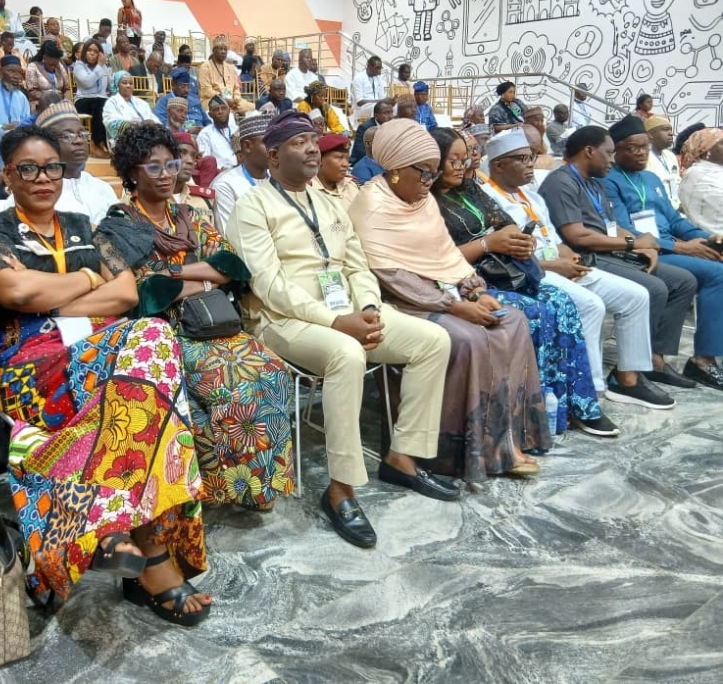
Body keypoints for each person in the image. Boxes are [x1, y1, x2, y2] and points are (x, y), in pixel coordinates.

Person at [0, 125, 212, 625]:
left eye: (51, 167)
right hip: (23, 370)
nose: (42, 178)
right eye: (28, 169)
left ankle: (116, 531)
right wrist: (89, 279)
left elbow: (125, 295)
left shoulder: (84, 227)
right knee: (150, 377)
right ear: (8, 174)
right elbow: (16, 294)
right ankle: (153, 559)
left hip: (92, 353)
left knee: (151, 340)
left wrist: (49, 297)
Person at [226, 111, 456, 548]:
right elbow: (268, 285)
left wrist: (367, 309)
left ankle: (402, 458)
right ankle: (341, 490)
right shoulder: (252, 206)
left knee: (433, 340)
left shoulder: (329, 202)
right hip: (281, 321)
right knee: (346, 354)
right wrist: (337, 322)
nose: (312, 149)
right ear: (273, 156)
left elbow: (356, 265)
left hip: (347, 312)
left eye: (313, 141)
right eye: (299, 143)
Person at [108, 123, 293, 509]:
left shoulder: (187, 215)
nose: (166, 174)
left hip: (215, 323)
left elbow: (232, 265)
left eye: (171, 164)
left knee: (271, 370)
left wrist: (173, 272)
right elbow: (143, 293)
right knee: (226, 384)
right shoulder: (118, 226)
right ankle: (226, 486)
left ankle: (261, 483)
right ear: (131, 173)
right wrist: (203, 278)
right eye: (153, 166)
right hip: (164, 332)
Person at [349, 119, 548, 480]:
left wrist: (476, 291)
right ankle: (453, 452)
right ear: (396, 169)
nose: (430, 181)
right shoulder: (373, 205)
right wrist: (455, 306)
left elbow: (445, 254)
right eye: (423, 172)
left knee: (513, 321)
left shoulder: (422, 200)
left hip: (444, 294)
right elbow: (391, 277)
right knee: (469, 338)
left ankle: (504, 441)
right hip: (399, 303)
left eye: (433, 172)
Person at [431, 127, 617, 436]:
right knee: (538, 314)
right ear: (434, 161)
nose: (462, 167)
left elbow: (504, 223)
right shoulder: (428, 200)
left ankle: (576, 405)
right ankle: (533, 415)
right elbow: (438, 258)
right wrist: (489, 243)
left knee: (563, 304)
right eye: (453, 160)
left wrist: (515, 240)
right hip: (467, 282)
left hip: (507, 273)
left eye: (466, 159)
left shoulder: (469, 188)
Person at [481, 128, 671, 410]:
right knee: (591, 306)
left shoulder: (531, 197)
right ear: (498, 165)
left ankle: (628, 379)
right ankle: (588, 392)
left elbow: (556, 241)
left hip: (560, 265)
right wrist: (555, 265)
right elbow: (504, 259)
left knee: (636, 296)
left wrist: (572, 261)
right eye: (521, 159)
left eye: (531, 157)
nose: (531, 164)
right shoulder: (488, 200)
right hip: (532, 273)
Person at [538, 126, 699, 390]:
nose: (613, 160)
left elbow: (612, 226)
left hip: (611, 251)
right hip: (587, 257)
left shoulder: (593, 182)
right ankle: (627, 373)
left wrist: (643, 245)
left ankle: (654, 360)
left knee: (683, 281)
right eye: (609, 153)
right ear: (589, 151)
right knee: (655, 287)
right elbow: (578, 237)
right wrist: (632, 243)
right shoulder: (561, 182)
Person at [600, 115, 723, 389]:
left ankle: (658, 358)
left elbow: (675, 220)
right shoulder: (609, 180)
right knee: (718, 274)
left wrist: (706, 238)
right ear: (616, 150)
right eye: (633, 148)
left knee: (716, 259)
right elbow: (624, 229)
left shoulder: (651, 177)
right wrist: (682, 247)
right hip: (645, 251)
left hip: (671, 245)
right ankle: (703, 361)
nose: (641, 153)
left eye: (645, 147)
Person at [30, 102, 119, 224]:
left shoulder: (102, 188)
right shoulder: (37, 193)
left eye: (82, 134)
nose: (79, 141)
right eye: (67, 136)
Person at [212, 114, 270, 233]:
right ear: (247, 146)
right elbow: (230, 235)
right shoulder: (225, 185)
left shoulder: (279, 179)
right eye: (268, 143)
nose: (275, 149)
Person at [679, 129, 723, 235]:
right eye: (722, 144)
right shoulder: (696, 174)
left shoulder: (716, 171)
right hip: (711, 238)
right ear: (705, 149)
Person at [72, 39, 110, 155]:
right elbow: (87, 82)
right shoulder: (79, 65)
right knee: (100, 103)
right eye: (89, 50)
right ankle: (95, 142)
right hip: (83, 99)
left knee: (108, 104)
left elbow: (109, 85)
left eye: (96, 51)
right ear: (84, 52)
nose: (92, 53)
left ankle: (105, 142)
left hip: (101, 100)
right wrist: (99, 66)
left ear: (100, 54)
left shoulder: (103, 67)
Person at [198, 36, 253, 113]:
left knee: (252, 107)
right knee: (223, 109)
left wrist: (236, 98)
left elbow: (236, 87)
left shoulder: (230, 67)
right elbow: (206, 90)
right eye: (220, 49)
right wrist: (225, 100)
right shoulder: (205, 66)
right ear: (214, 51)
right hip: (212, 101)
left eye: (225, 49)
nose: (223, 52)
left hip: (232, 101)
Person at [103, 71, 157, 149]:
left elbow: (154, 120)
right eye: (124, 83)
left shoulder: (141, 103)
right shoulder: (112, 102)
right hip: (125, 140)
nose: (128, 85)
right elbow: (111, 124)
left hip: (147, 136)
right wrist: (139, 125)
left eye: (131, 83)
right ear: (117, 85)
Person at [171, 131, 217, 218]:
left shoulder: (203, 200)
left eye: (193, 156)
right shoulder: (151, 200)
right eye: (182, 153)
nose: (190, 161)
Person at [311, 134, 358, 211]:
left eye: (347, 159)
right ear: (319, 159)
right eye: (339, 158)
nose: (345, 164)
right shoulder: (307, 190)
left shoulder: (352, 185)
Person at [0, 56, 30, 130]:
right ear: (0, 71)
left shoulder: (21, 97)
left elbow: (26, 122)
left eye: (19, 72)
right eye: (11, 71)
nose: (16, 76)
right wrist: (4, 127)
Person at [645, 115, 682, 207]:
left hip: (676, 205)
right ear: (650, 134)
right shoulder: (643, 157)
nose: (671, 133)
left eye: (671, 130)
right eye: (665, 129)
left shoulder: (670, 156)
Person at [195, 96, 238, 170]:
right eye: (216, 109)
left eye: (223, 108)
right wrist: (219, 171)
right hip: (219, 173)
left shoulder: (237, 130)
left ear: (229, 111)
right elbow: (205, 161)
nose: (220, 112)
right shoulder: (205, 134)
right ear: (210, 114)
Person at [25, 41, 68, 110]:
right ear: (44, 58)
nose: (53, 67)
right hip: (41, 104)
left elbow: (67, 89)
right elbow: (32, 92)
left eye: (55, 65)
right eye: (50, 65)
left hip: (60, 103)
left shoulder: (59, 66)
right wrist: (51, 100)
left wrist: (66, 101)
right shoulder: (33, 67)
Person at [349, 99, 393, 166]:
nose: (390, 116)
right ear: (376, 116)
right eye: (386, 113)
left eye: (391, 112)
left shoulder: (392, 126)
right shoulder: (365, 128)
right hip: (363, 163)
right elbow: (361, 151)